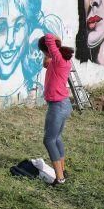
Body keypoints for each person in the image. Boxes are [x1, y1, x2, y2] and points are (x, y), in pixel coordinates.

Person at [39, 34, 75, 186]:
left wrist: (55, 38)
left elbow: (48, 38)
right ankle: (62, 169)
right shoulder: (61, 60)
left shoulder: (59, 59)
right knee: (57, 138)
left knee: (49, 140)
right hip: (64, 104)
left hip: (58, 106)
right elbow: (45, 64)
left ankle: (59, 178)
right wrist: (49, 51)